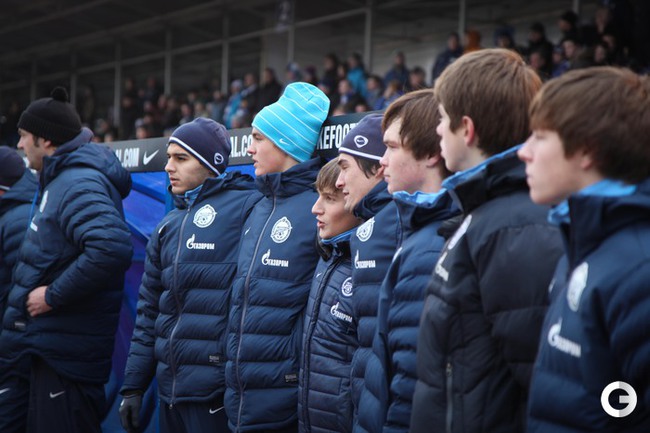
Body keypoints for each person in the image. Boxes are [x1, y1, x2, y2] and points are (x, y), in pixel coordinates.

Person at [410, 49, 564, 433]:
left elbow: (543, 389)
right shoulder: (485, 213)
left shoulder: (511, 228)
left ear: (467, 129)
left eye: (442, 118)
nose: (437, 130)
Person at [518, 67, 650, 432]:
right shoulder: (584, 244)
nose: (524, 152)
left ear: (587, 150)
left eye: (540, 137)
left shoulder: (639, 270)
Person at [0, 87, 133, 433]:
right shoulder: (62, 179)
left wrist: (52, 295)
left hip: (64, 357)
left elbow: (111, 247)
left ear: (45, 140)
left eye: (24, 136)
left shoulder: (78, 182)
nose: (19, 145)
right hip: (48, 350)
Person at [118, 118, 262, 433]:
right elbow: (149, 312)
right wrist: (133, 386)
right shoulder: (168, 225)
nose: (169, 166)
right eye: (169, 157)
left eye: (181, 158)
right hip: (170, 391)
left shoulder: (249, 207)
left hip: (216, 393)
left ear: (212, 163)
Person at [225, 82, 329, 433]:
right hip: (239, 394)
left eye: (257, 138)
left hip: (283, 394)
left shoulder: (317, 208)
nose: (249, 148)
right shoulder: (258, 206)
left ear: (285, 143)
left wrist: (290, 364)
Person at [356, 90, 457, 433]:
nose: (381, 161)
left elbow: (411, 385)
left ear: (431, 153)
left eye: (391, 147)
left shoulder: (433, 246)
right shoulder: (421, 230)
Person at [335, 113, 400, 428]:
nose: (339, 181)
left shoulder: (395, 225)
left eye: (345, 167)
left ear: (376, 168)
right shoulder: (372, 226)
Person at [298, 158, 362, 433]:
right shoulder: (327, 256)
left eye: (330, 199)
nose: (316, 208)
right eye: (318, 196)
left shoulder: (368, 266)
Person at [0, 147, 38, 433]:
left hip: (14, 346)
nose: (21, 143)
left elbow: (21, 287)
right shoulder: (11, 214)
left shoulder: (19, 218)